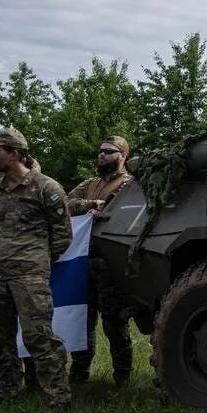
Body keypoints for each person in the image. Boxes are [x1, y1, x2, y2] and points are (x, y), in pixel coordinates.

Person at [0, 128, 73, 407]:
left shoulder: (46, 188)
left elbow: (62, 235)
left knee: (38, 336)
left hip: (30, 275)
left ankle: (58, 397)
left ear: (15, 153)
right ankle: (6, 393)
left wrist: (37, 261)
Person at [66, 136, 135, 386]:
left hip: (111, 263)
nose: (102, 155)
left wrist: (103, 210)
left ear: (123, 156)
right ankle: (79, 372)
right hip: (83, 261)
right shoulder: (90, 184)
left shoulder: (130, 185)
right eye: (100, 151)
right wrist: (91, 204)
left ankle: (122, 377)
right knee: (82, 320)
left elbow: (122, 211)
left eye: (108, 151)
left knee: (114, 322)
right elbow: (64, 204)